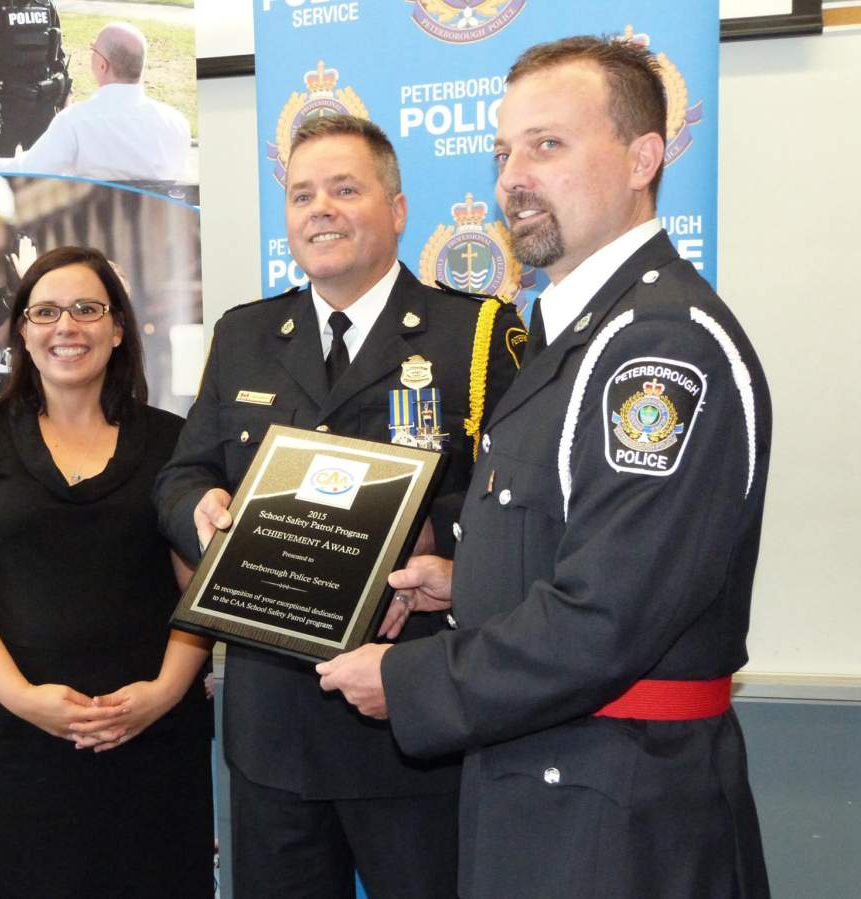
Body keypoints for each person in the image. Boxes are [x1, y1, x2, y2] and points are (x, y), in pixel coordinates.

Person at [318, 36, 772, 898]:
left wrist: (410, 682)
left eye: (547, 145)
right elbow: (572, 538)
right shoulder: (581, 334)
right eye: (504, 150)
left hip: (621, 817)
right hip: (552, 789)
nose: (512, 176)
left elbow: (606, 616)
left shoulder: (660, 348)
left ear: (644, 157)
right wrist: (464, 580)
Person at [153, 115, 521, 899]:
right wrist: (202, 510)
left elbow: (521, 500)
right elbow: (180, 475)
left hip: (409, 718)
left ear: (396, 208)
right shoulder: (247, 333)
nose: (319, 209)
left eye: (344, 189)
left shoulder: (478, 333)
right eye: (301, 194)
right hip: (271, 733)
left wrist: (434, 530)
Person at [0, 246, 215, 897]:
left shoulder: (176, 445)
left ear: (117, 328)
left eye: (86, 308)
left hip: (152, 743)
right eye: (45, 310)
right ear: (22, 330)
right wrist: (24, 697)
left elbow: (203, 588)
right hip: (13, 747)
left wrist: (162, 693)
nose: (66, 326)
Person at [0, 22, 191, 182]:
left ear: (102, 65)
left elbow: (30, 171)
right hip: (157, 237)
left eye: (93, 49)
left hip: (91, 238)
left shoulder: (76, 122)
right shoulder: (177, 124)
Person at [0, 0, 71, 157]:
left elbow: (58, 59)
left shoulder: (46, 5)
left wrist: (65, 98)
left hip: (41, 108)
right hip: (2, 109)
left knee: (42, 176)